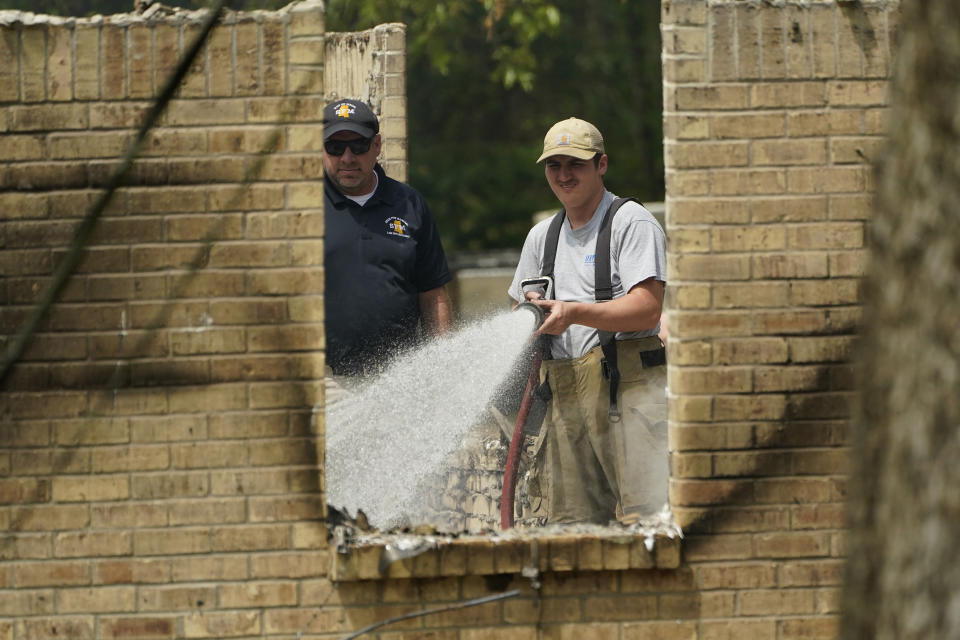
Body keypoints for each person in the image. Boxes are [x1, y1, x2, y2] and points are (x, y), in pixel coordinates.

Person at [508, 117, 667, 525]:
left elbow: (648, 308)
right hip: (564, 400)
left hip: (629, 396)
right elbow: (516, 313)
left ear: (601, 165)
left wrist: (574, 312)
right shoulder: (540, 237)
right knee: (574, 530)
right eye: (553, 165)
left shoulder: (631, 222)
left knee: (645, 522)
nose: (563, 175)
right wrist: (528, 317)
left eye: (575, 164)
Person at [322, 98, 453, 382]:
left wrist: (444, 369)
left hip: (401, 379)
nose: (347, 157)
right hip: (326, 382)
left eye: (358, 145)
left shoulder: (409, 204)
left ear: (377, 146)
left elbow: (433, 295)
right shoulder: (301, 207)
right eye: (335, 147)